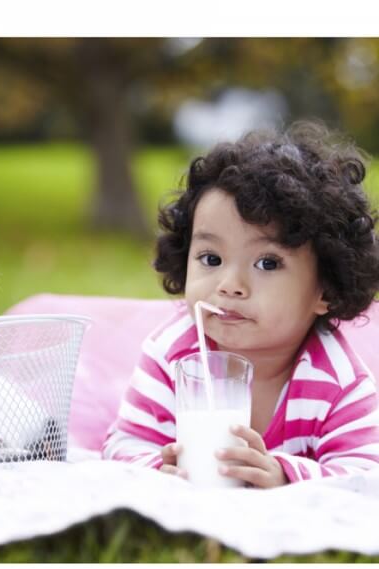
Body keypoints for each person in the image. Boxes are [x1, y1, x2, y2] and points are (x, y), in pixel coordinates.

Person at [102, 121, 379, 488]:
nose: (230, 285)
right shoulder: (172, 355)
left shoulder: (337, 382)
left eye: (267, 263)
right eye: (211, 259)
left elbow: (365, 474)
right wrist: (154, 468)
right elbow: (122, 442)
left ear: (325, 290)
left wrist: (285, 475)